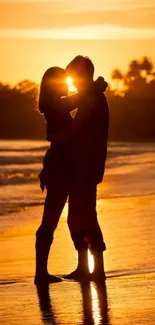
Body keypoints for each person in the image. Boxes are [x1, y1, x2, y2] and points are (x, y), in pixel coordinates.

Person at [65, 56, 109, 281]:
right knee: (76, 217)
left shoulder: (93, 97)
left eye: (73, 76)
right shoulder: (90, 94)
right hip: (81, 166)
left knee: (85, 217)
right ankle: (84, 266)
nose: (72, 82)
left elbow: (66, 106)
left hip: (86, 167)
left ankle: (96, 269)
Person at [34, 67, 74, 285]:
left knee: (54, 218)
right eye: (63, 80)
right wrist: (92, 91)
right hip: (59, 163)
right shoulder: (53, 103)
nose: (66, 84)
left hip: (61, 161)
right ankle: (40, 273)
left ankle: (41, 272)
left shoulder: (56, 102)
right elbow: (72, 103)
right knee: (50, 219)